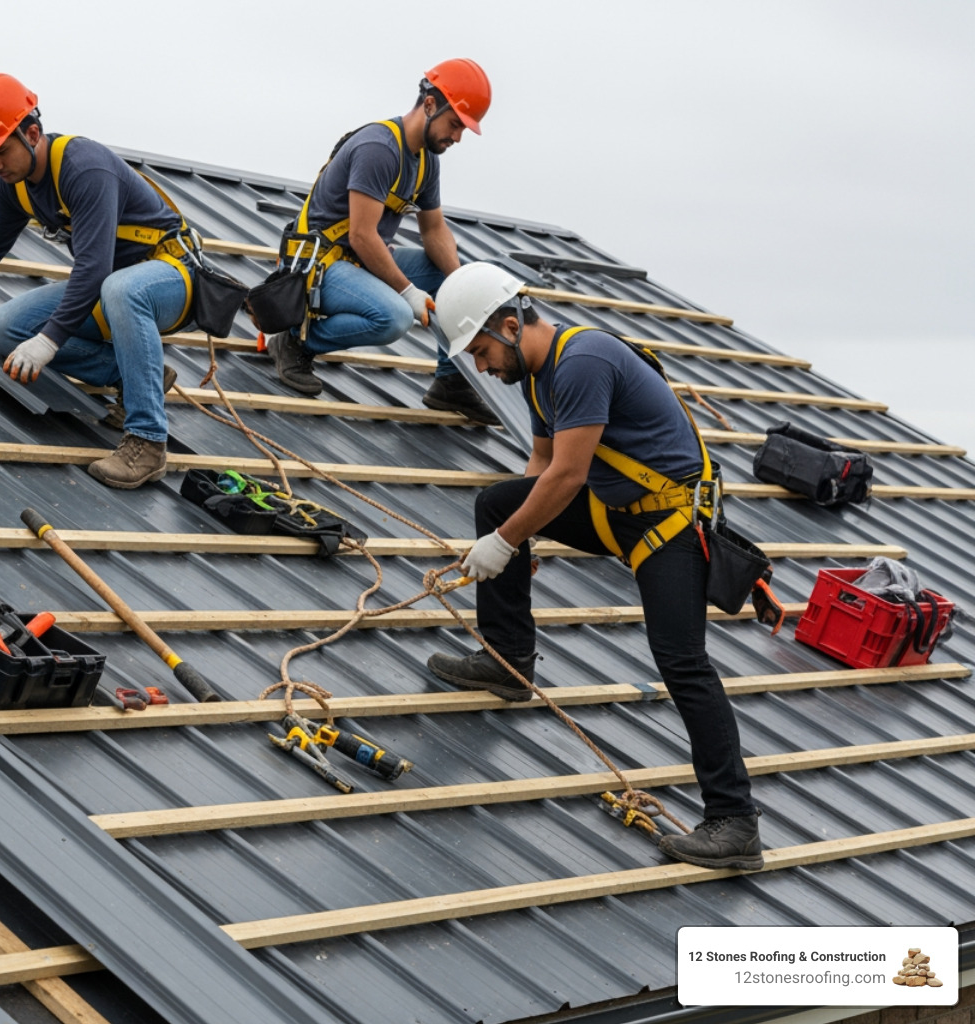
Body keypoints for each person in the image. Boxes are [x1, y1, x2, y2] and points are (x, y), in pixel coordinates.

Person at [425, 261, 763, 870]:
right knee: (498, 502)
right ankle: (509, 662)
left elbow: (569, 474)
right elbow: (540, 464)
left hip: (670, 524)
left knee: (682, 662)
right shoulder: (536, 377)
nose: (481, 367)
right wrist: (518, 539)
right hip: (617, 511)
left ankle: (735, 822)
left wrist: (503, 543)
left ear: (510, 324)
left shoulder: (582, 362)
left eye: (480, 351)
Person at [0, 71, 196, 489]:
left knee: (119, 288)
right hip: (115, 290)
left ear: (32, 133)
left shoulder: (85, 168)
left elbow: (95, 270)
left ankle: (148, 441)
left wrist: (50, 340)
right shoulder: (14, 183)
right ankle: (134, 375)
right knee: (6, 328)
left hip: (171, 281)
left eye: (0, 151)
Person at [264, 59, 498, 427]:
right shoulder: (379, 148)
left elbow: (434, 231)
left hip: (356, 261)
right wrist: (407, 291)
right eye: (455, 124)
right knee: (395, 317)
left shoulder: (425, 162)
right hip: (318, 264)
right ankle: (295, 342)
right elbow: (361, 234)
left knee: (452, 271)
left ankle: (451, 382)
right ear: (431, 104)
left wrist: (463, 286)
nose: (457, 137)